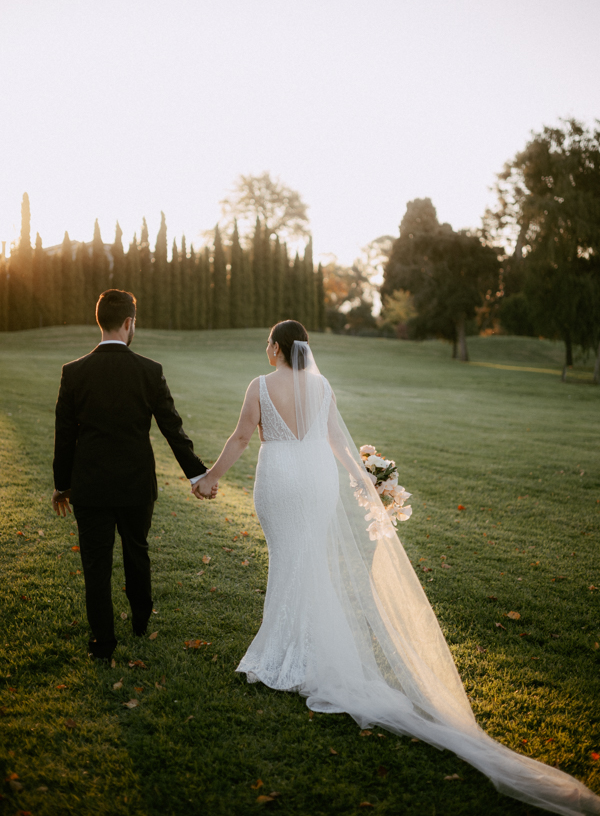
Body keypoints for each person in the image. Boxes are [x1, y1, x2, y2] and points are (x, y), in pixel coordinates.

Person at [193, 319, 600, 816]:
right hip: (317, 481)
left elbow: (240, 437)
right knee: (309, 561)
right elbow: (340, 444)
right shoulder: (321, 386)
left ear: (278, 349)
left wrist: (211, 477)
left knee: (288, 558)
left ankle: (285, 651)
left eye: (268, 344)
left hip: (278, 478)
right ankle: (302, 647)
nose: (266, 350)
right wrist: (365, 484)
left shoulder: (259, 385)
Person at [52, 289, 217, 660]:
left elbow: (65, 436)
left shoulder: (74, 372)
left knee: (95, 564)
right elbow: (172, 430)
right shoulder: (150, 370)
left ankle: (103, 643)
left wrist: (62, 485)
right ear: (129, 323)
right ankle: (141, 623)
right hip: (136, 485)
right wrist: (197, 475)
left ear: (101, 321)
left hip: (90, 486)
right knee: (136, 552)